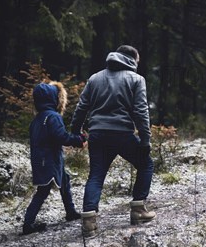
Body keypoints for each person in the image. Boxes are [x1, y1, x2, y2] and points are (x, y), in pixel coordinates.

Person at [70, 45, 155, 237]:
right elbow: (141, 111)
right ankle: (138, 210)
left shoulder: (95, 78)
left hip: (98, 134)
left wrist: (76, 131)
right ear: (132, 58)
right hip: (122, 134)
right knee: (146, 164)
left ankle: (89, 222)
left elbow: (81, 107)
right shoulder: (136, 79)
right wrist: (145, 139)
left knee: (96, 175)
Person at [22, 81, 87, 235]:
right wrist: (79, 139)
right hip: (49, 161)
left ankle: (70, 211)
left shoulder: (37, 119)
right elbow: (61, 137)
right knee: (43, 191)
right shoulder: (53, 116)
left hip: (43, 160)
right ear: (53, 99)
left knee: (64, 180)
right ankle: (28, 223)